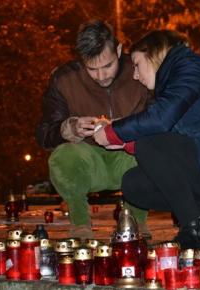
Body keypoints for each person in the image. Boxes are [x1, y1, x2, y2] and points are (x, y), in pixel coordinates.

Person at [94, 30, 200, 249]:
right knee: (134, 185)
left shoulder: (189, 67)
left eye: (137, 64)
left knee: (149, 142)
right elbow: (174, 138)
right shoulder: (177, 80)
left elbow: (160, 121)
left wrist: (112, 132)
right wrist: (123, 141)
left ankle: (193, 229)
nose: (135, 75)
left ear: (155, 53)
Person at [36, 20, 151, 239]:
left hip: (129, 156)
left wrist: (124, 128)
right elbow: (43, 134)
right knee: (62, 158)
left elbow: (162, 116)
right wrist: (70, 128)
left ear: (118, 50)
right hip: (88, 159)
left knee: (154, 149)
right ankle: (80, 224)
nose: (101, 76)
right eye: (92, 69)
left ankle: (136, 221)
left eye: (107, 66)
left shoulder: (139, 71)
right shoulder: (64, 79)